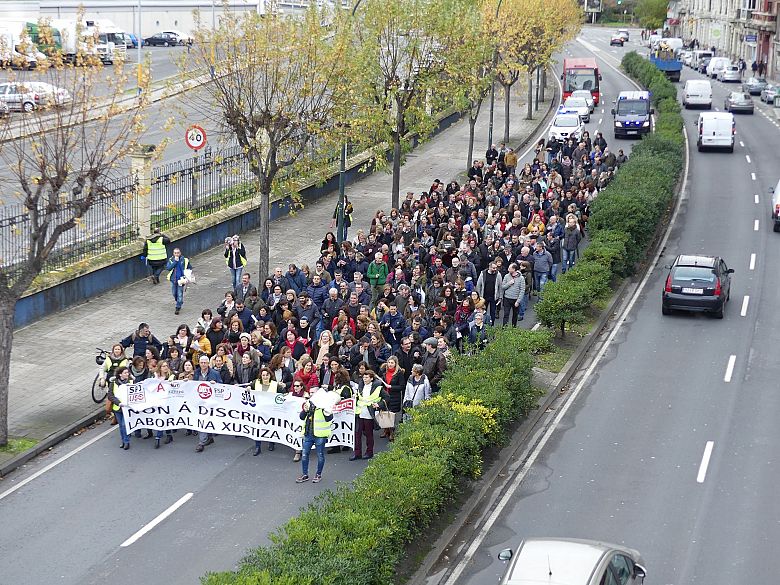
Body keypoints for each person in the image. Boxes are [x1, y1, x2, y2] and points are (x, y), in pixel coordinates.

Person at [296, 386, 334, 483]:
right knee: (304, 455)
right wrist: (304, 410)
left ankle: (318, 474)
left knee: (320, 455)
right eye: (310, 392)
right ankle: (305, 474)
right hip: (308, 433)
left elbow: (329, 418)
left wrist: (328, 413)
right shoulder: (308, 403)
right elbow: (301, 417)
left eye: (313, 392)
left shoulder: (325, 405)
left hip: (320, 435)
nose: (311, 394)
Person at [351, 369, 386, 460]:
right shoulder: (360, 386)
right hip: (359, 412)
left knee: (368, 434)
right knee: (357, 434)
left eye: (366, 377)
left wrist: (378, 405)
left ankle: (369, 452)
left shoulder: (378, 387)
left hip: (369, 413)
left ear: (371, 378)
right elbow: (360, 397)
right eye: (363, 377)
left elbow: (387, 398)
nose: (364, 379)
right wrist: (356, 397)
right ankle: (357, 453)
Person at [193, 354, 222, 452]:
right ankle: (202, 442)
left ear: (208, 363)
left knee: (208, 420)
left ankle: (207, 438)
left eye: (205, 362)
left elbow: (221, 386)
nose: (203, 364)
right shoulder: (196, 373)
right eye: (201, 362)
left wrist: (216, 384)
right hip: (200, 402)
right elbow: (193, 386)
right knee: (202, 420)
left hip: (211, 402)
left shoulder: (215, 373)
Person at [107, 365, 133, 450]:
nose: (127, 374)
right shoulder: (113, 383)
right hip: (118, 408)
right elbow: (110, 395)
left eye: (127, 372)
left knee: (124, 425)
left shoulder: (131, 382)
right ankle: (124, 440)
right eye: (125, 373)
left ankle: (126, 442)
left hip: (127, 408)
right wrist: (118, 403)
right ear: (120, 374)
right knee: (121, 426)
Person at [166, 248, 192, 315]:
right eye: (175, 253)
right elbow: (168, 268)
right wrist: (175, 261)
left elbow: (189, 268)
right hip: (173, 280)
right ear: (173, 253)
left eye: (178, 253)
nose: (177, 254)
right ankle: (179, 301)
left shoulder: (185, 260)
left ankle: (178, 307)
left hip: (181, 280)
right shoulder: (171, 260)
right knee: (174, 293)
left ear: (180, 253)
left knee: (180, 294)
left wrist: (187, 276)